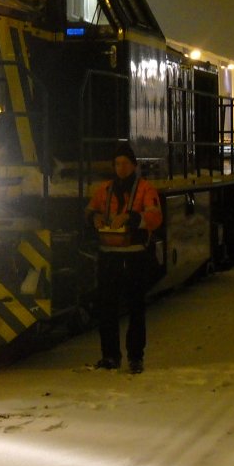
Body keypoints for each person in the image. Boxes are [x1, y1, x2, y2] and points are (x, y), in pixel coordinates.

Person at [85, 142, 162, 373]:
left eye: (125, 163)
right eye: (117, 164)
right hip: (109, 256)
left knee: (136, 309)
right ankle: (110, 356)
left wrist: (130, 218)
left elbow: (155, 217)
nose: (121, 168)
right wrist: (94, 219)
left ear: (134, 165)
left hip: (135, 257)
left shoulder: (146, 190)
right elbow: (91, 210)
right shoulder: (104, 190)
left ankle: (135, 358)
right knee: (107, 309)